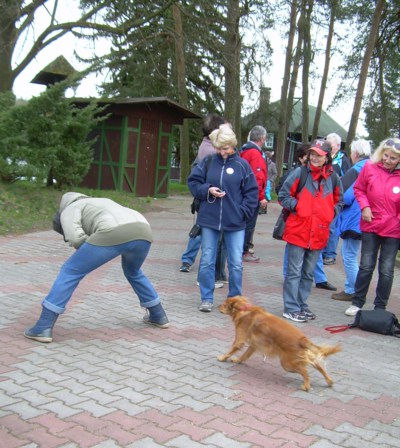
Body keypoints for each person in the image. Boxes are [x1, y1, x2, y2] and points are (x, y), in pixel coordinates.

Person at [24, 193, 169, 343]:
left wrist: (88, 253)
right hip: (144, 230)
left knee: (71, 270)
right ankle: (158, 315)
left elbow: (75, 237)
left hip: (114, 231)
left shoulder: (70, 208)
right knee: (133, 272)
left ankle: (43, 326)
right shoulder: (101, 201)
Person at [188, 124, 258, 312]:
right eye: (218, 148)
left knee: (235, 263)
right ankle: (206, 298)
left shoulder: (243, 165)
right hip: (209, 220)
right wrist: (207, 189)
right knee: (207, 260)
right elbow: (193, 182)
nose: (222, 152)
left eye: (225, 148)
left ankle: (234, 300)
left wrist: (242, 212)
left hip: (235, 223)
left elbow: (252, 194)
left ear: (232, 145)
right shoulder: (209, 161)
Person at [278, 140, 343, 322]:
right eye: (312, 154)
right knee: (294, 272)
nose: (314, 158)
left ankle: (301, 304)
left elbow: (340, 200)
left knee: (308, 273)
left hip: (319, 232)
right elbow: (283, 195)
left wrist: (330, 213)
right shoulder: (300, 173)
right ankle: (290, 307)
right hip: (298, 230)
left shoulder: (334, 178)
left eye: (319, 155)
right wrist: (299, 207)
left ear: (327, 157)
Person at [345, 138, 400, 316]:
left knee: (386, 269)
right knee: (366, 265)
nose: (388, 160)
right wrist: (365, 207)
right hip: (371, 224)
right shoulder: (369, 167)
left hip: (393, 229)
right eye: (386, 155)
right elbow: (359, 189)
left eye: (393, 158)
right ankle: (357, 301)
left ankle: (380, 307)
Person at [179, 113, 226, 289]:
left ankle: (188, 261)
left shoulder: (207, 145)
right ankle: (196, 268)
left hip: (207, 197)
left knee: (201, 232)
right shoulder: (210, 150)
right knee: (203, 234)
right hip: (209, 198)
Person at [332, 139, 371, 302]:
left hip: (353, 220)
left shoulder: (356, 170)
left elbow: (344, 196)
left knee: (348, 254)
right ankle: (353, 287)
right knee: (356, 254)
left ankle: (353, 289)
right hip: (365, 218)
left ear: (355, 154)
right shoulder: (373, 168)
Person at [323, 132, 352, 265]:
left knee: (332, 227)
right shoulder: (324, 157)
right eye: (326, 142)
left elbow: (348, 180)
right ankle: (321, 251)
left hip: (335, 198)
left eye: (330, 143)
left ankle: (330, 254)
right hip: (323, 197)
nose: (327, 144)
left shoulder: (343, 160)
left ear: (338, 145)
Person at [240, 125, 268, 262]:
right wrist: (261, 197)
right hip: (252, 196)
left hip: (244, 193)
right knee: (249, 225)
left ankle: (240, 249)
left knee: (244, 223)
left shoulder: (244, 151)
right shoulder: (255, 154)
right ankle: (243, 251)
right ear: (262, 138)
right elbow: (258, 177)